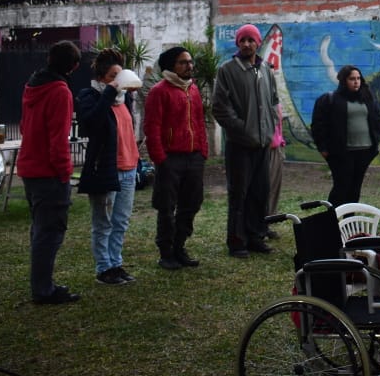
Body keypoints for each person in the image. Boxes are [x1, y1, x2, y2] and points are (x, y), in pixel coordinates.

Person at [17, 40, 82, 304]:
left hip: (30, 166)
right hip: (48, 172)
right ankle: (43, 289)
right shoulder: (59, 91)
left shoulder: (32, 85)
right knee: (50, 231)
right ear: (74, 67)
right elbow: (59, 139)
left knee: (41, 228)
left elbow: (23, 126)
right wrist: (64, 173)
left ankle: (41, 284)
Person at [212, 24, 279, 258]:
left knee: (259, 192)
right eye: (243, 40)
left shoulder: (266, 69)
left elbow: (273, 102)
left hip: (262, 144)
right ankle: (237, 241)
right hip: (240, 145)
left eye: (251, 40)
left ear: (258, 42)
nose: (247, 44)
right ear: (237, 43)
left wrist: (270, 132)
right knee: (239, 195)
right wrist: (242, 129)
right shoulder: (227, 70)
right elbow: (220, 108)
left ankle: (256, 236)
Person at [75, 48, 139, 285]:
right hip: (105, 168)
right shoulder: (89, 95)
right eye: (113, 76)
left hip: (129, 166)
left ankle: (116, 263)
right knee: (103, 222)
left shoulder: (126, 99)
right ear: (102, 77)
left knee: (120, 221)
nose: (118, 81)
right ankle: (104, 268)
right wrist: (109, 93)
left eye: (120, 76)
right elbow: (91, 124)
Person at [143, 45, 208, 270]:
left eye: (190, 62)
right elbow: (152, 128)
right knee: (166, 207)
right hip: (170, 158)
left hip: (194, 157)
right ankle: (166, 252)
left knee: (192, 203)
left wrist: (203, 150)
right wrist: (160, 158)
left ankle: (180, 246)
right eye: (183, 62)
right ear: (172, 66)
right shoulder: (159, 91)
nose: (189, 66)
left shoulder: (193, 89)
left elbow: (199, 122)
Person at [310, 65, 380, 206]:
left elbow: (377, 120)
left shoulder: (367, 98)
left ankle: (350, 222)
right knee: (341, 188)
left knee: (355, 189)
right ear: (344, 81)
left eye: (358, 78)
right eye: (352, 79)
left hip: (365, 151)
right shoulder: (331, 100)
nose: (356, 82)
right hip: (341, 153)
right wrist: (323, 148)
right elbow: (318, 126)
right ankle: (332, 222)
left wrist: (376, 142)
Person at [265, 103, 285, 238]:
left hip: (276, 147)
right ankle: (258, 224)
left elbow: (278, 123)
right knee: (264, 188)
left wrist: (281, 141)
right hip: (264, 148)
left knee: (273, 187)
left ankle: (267, 223)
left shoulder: (274, 100)